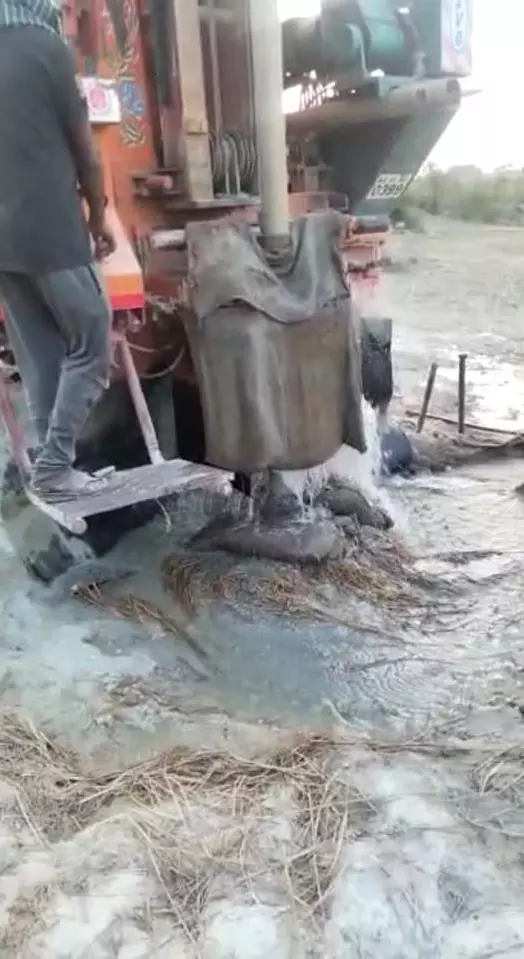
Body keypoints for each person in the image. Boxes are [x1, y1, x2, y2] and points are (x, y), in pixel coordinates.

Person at [0, 0, 117, 500]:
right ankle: (54, 466)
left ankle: (50, 471)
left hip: (5, 242)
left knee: (43, 356)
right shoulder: (47, 49)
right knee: (92, 340)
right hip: (51, 228)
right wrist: (97, 214)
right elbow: (85, 150)